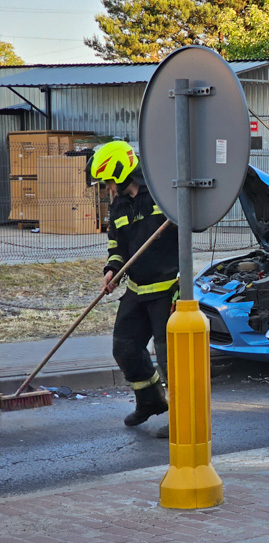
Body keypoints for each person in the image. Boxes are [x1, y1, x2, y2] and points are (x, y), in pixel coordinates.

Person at [87, 141, 179, 430]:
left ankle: (183, 418)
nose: (108, 188)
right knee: (124, 348)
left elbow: (190, 229)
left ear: (121, 172)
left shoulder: (164, 196)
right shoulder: (119, 206)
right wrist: (113, 269)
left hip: (168, 291)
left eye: (109, 181)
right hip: (138, 290)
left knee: (170, 361)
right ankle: (150, 401)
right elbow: (116, 244)